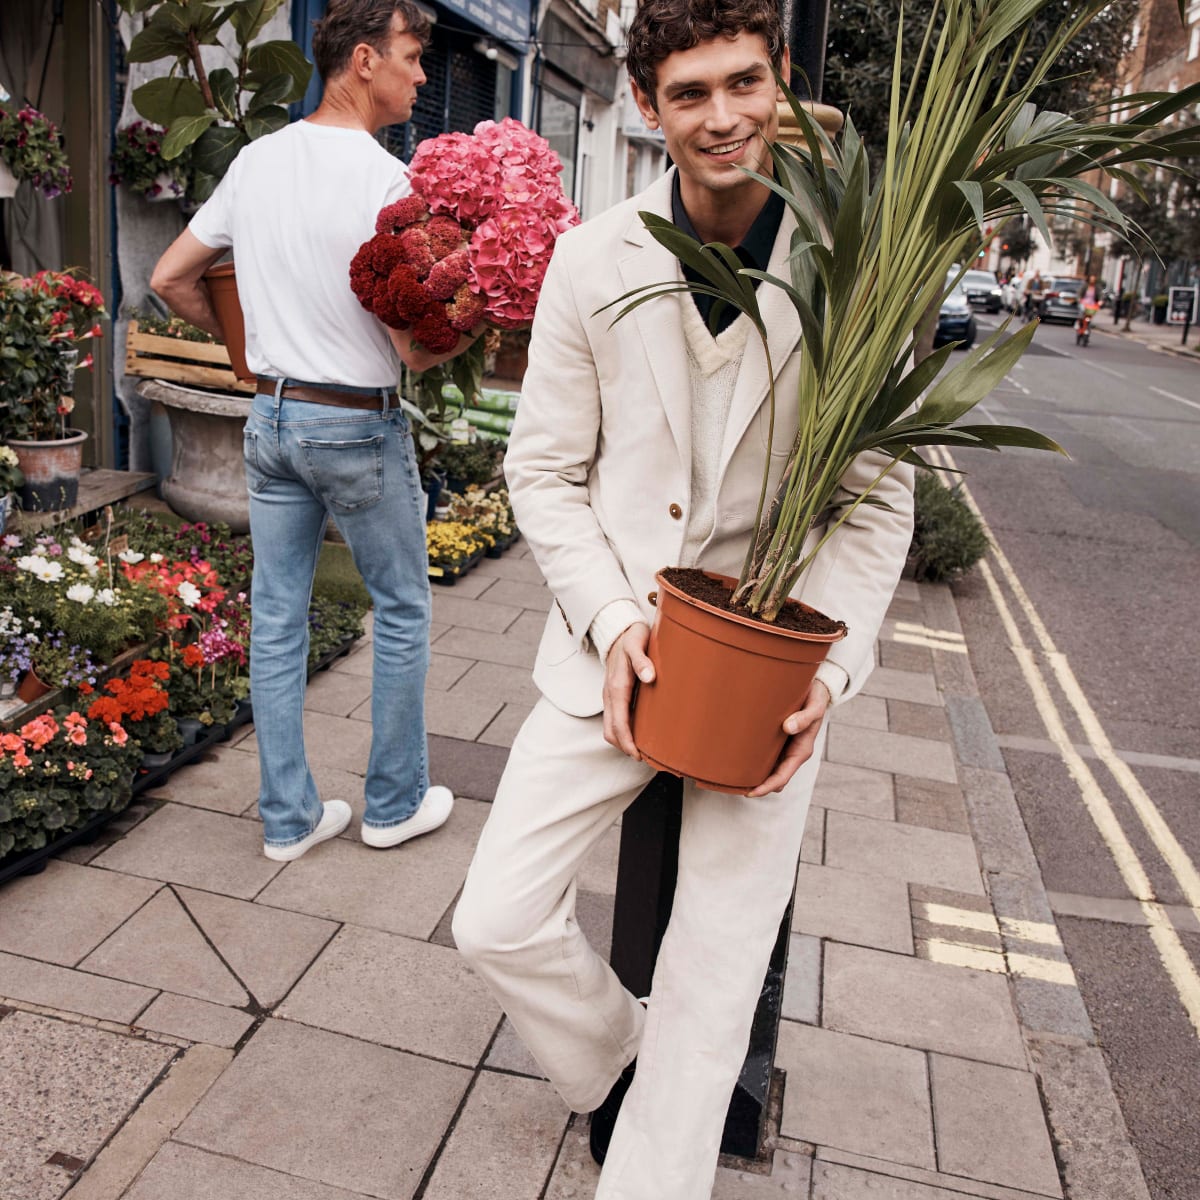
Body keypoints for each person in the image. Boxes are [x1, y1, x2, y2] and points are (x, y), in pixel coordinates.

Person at [451, 0, 915, 1195]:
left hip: (772, 670)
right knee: (495, 918)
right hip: (619, 649)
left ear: (782, 84)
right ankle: (616, 1056)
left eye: (745, 84)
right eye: (693, 93)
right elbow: (543, 471)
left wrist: (834, 669)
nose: (725, 117)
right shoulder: (592, 256)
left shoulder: (853, 266)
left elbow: (875, 500)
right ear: (649, 111)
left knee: (715, 976)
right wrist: (611, 622)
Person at [150, 0, 471, 862]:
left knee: (280, 616)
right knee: (401, 608)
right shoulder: (387, 183)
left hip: (273, 417)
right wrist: (478, 322)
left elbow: (172, 276)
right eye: (410, 56)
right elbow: (414, 352)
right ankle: (394, 804)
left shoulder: (257, 160)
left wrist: (246, 352)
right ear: (362, 59)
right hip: (355, 425)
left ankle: (289, 820)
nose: (421, 75)